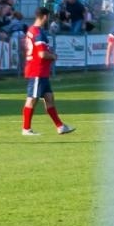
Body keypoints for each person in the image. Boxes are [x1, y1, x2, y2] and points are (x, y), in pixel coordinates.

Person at [21, 7, 74, 136]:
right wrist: (53, 56)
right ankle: (26, 129)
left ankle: (60, 126)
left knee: (49, 98)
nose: (48, 19)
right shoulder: (38, 33)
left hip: (41, 72)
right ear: (45, 16)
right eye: (48, 16)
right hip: (37, 71)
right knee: (32, 99)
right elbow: (42, 54)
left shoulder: (31, 30)